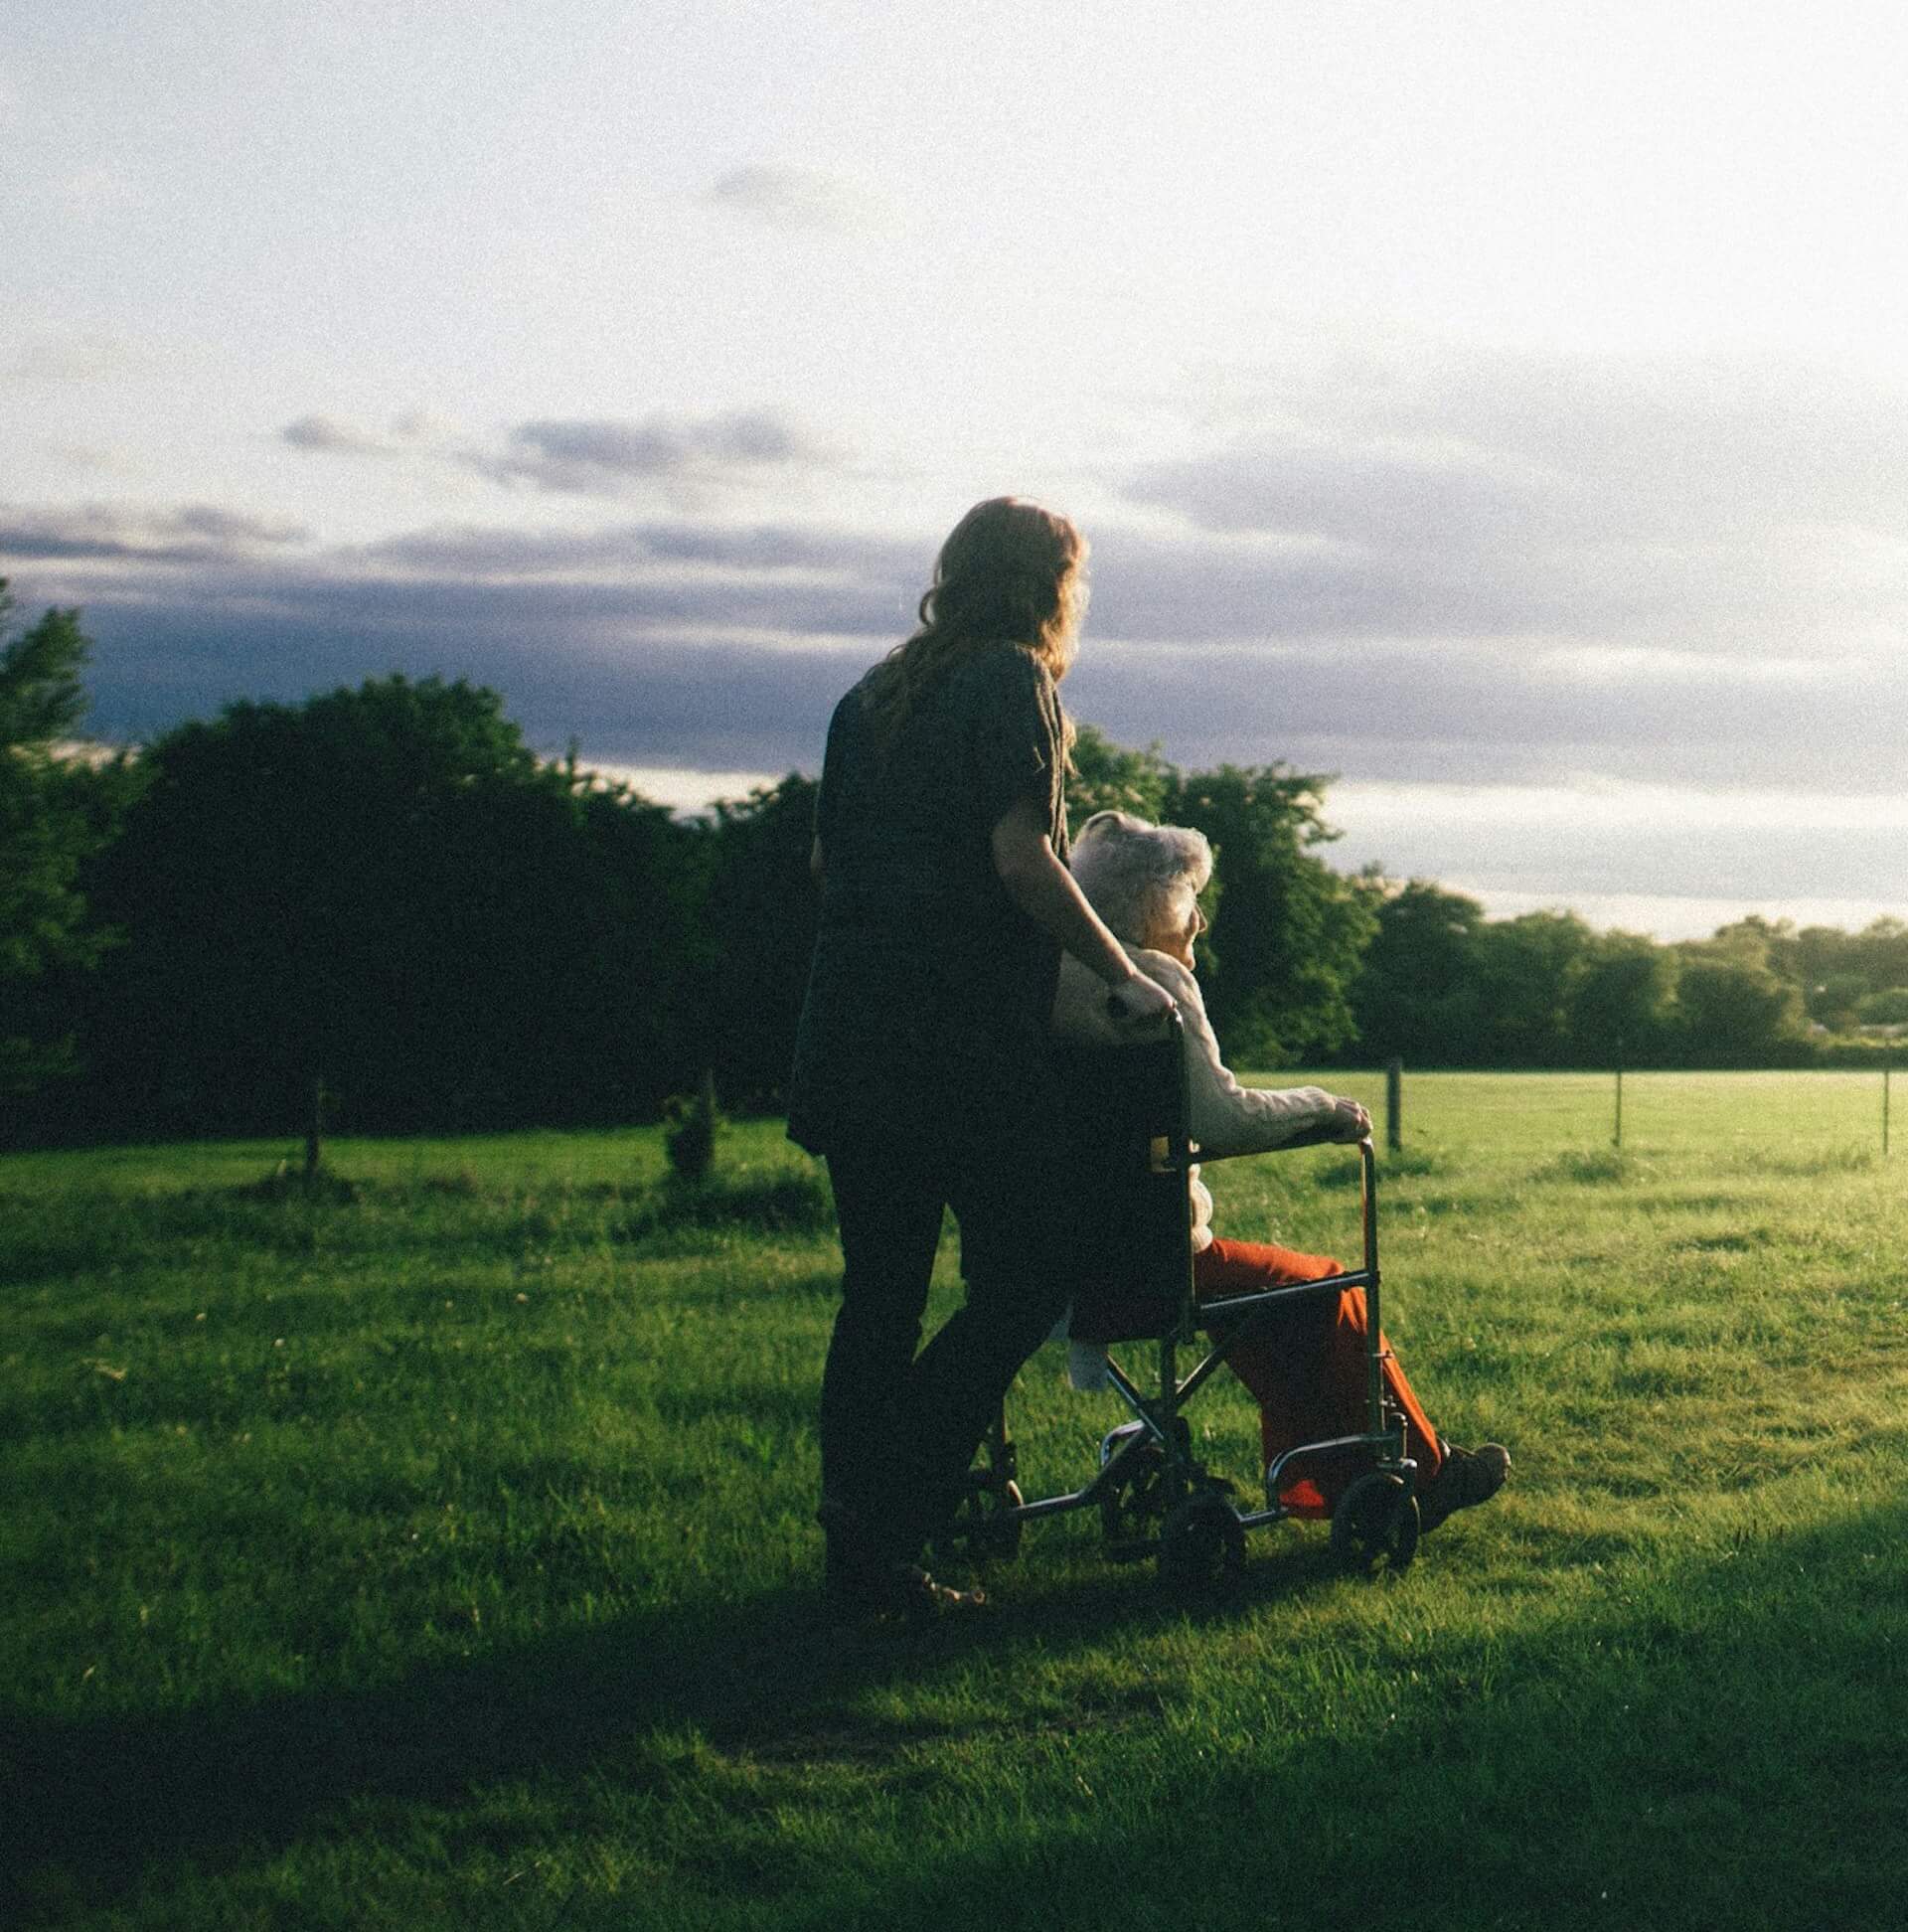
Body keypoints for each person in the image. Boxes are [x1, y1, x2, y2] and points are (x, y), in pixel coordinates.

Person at [787, 499, 1178, 1617]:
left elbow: (830, 861)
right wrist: (1122, 972)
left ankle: (860, 1551)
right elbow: (1024, 859)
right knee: (1024, 1282)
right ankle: (887, 1510)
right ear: (1051, 585)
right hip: (952, 1049)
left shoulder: (867, 698)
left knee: (881, 1297)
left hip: (849, 1034)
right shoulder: (1013, 685)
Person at [1052, 810, 1509, 1531]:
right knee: (1325, 1286)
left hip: (1056, 1259)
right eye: (1188, 898)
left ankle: (1321, 1481)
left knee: (1274, 1298)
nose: (1199, 920)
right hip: (1152, 1260)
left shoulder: (1053, 980)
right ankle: (1423, 1470)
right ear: (1150, 905)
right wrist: (1323, 1108)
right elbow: (1224, 1118)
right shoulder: (1153, 982)